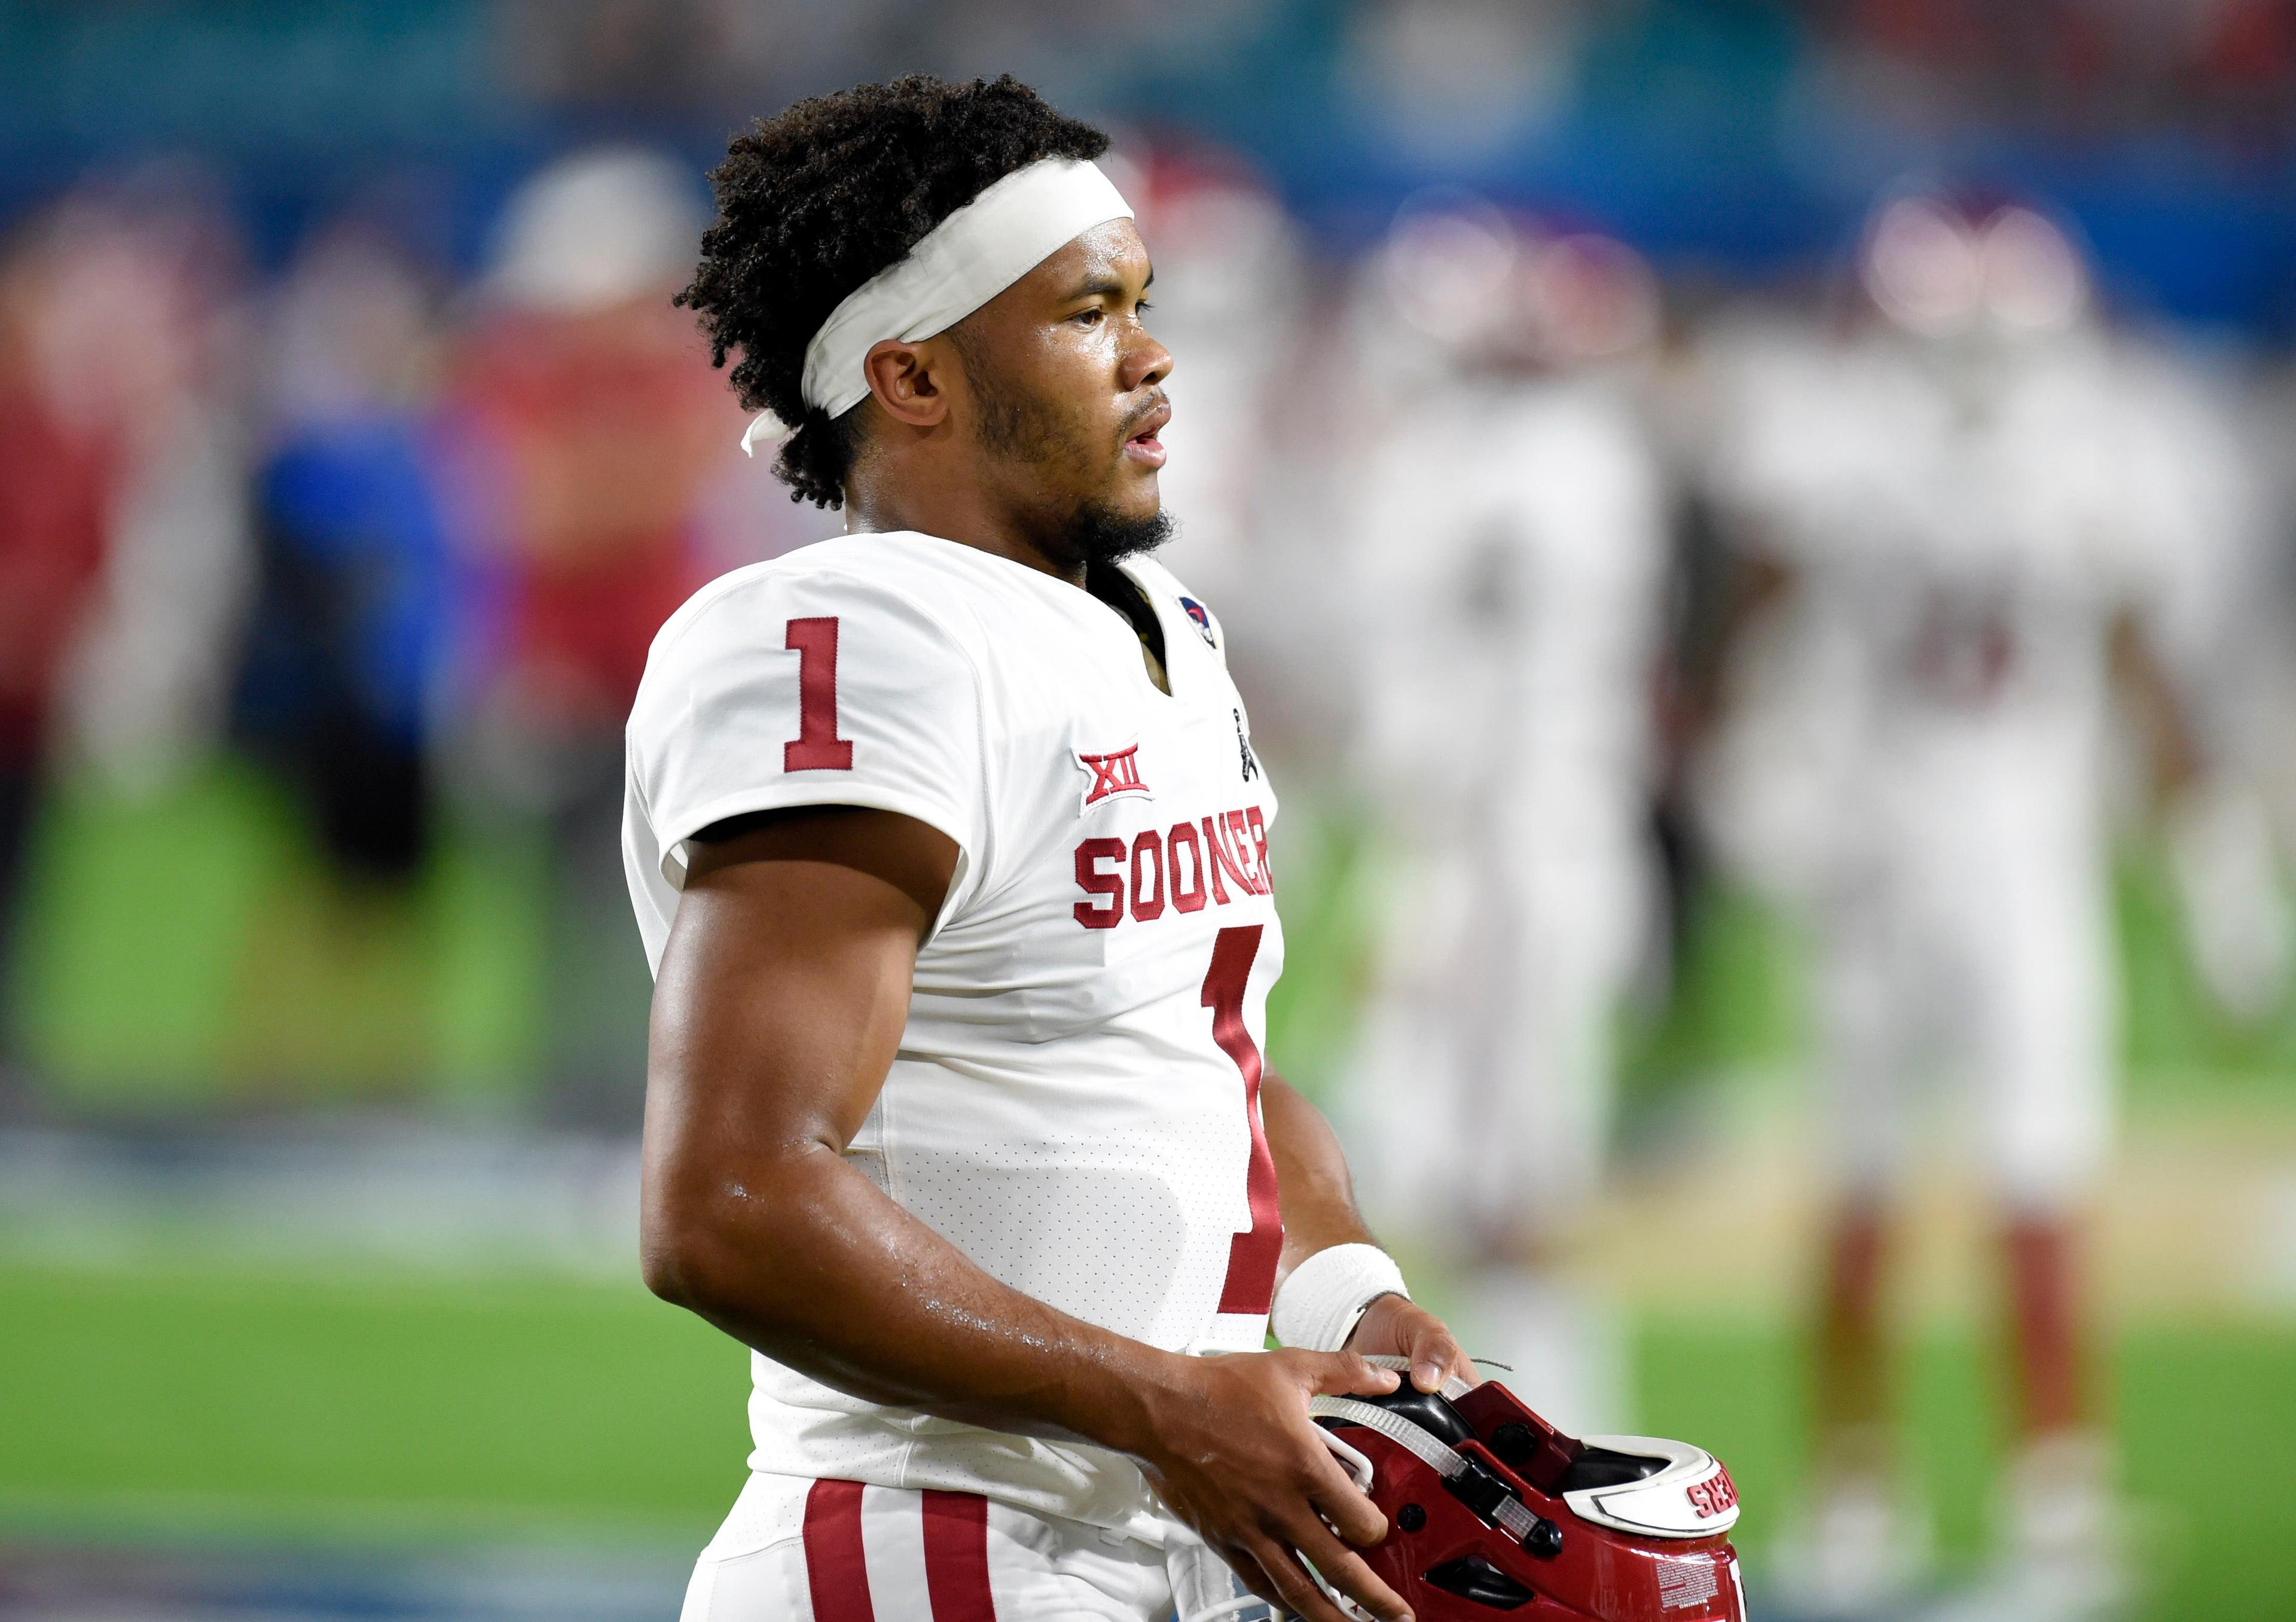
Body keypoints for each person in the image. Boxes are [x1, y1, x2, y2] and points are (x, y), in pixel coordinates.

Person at [625, 76, 1470, 1622]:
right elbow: (729, 1200)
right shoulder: (857, 640)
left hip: (1165, 1536)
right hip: (937, 1544)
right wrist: (1163, 1403)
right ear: (915, 378)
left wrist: (1354, 1292)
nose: (1154, 358)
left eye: (1145, 305)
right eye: (1090, 315)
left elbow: (1198, 1050)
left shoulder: (1160, 634)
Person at [1692, 195, 2224, 1621]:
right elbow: (2138, 660)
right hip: (1959, 860)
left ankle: (1945, 1492)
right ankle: (1991, 1493)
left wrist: (1744, 746)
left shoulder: (1859, 434)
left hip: (1935, 858)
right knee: (1950, 1188)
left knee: (1959, 1189)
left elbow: (1760, 595)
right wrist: (2209, 862)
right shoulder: (2080, 445)